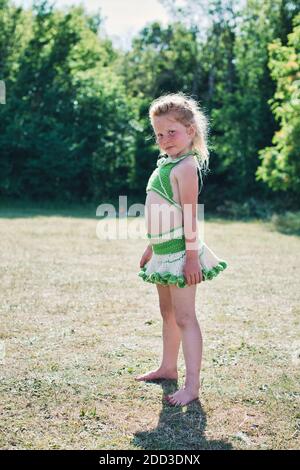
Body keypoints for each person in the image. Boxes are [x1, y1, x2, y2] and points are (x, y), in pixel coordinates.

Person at [136, 92, 228, 406]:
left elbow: (189, 215)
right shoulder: (167, 164)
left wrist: (191, 258)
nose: (164, 139)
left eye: (171, 132)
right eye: (159, 134)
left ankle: (192, 386)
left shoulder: (186, 166)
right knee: (168, 313)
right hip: (163, 253)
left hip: (180, 254)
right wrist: (152, 247)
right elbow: (166, 213)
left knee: (186, 317)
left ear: (190, 131)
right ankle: (167, 367)